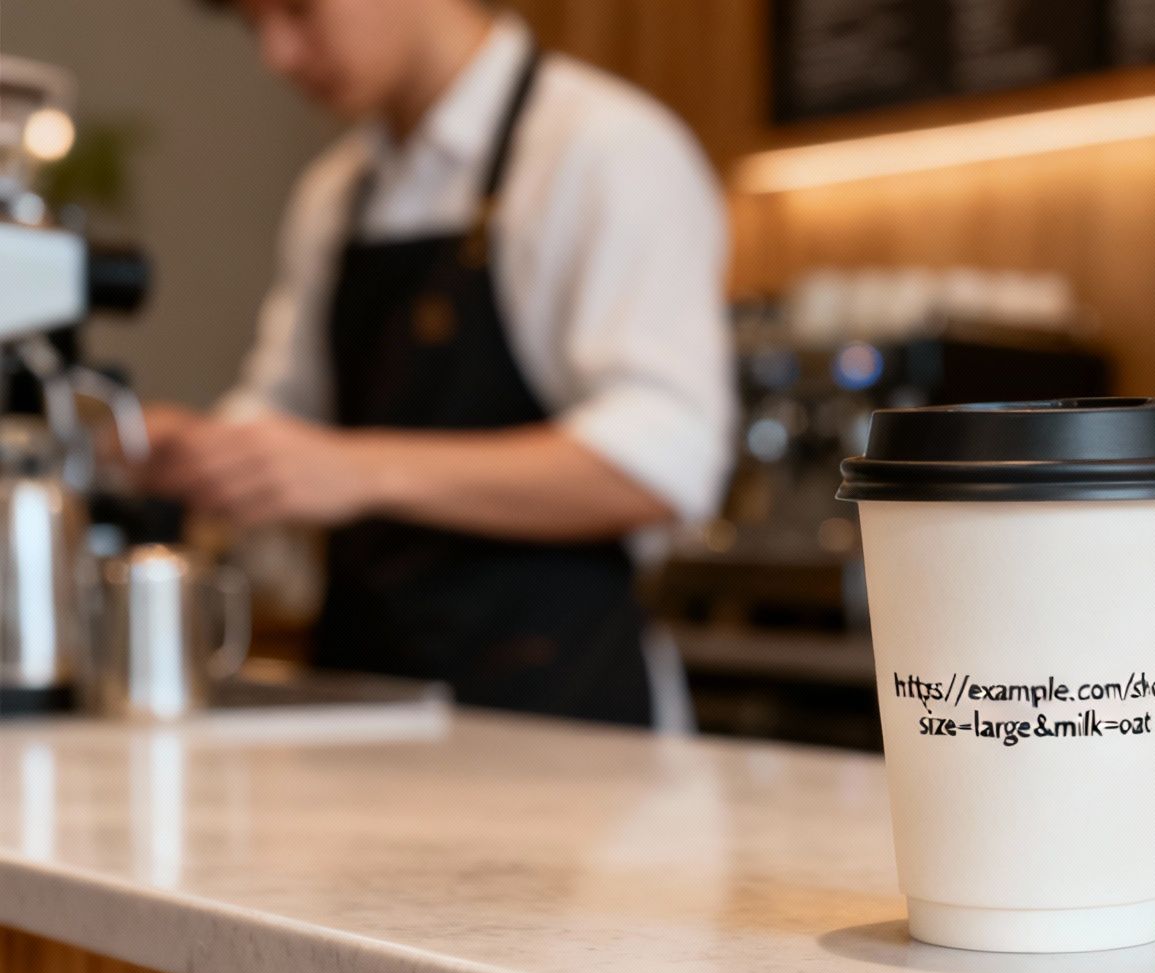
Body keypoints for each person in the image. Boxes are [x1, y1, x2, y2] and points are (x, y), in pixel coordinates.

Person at [149, 0, 734, 728]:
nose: (277, 56)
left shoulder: (603, 149)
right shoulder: (336, 194)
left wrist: (360, 469)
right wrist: (195, 454)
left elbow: (665, 462)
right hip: (362, 699)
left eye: (300, 10)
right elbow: (284, 414)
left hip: (563, 713)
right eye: (252, 24)